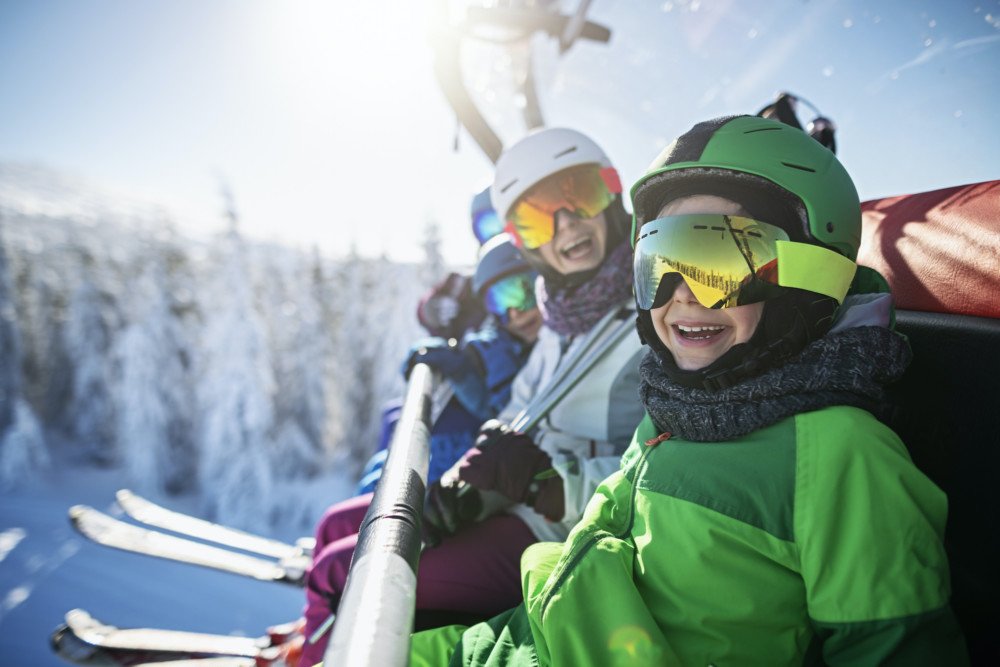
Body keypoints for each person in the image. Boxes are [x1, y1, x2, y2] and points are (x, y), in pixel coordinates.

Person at [407, 115, 969, 666]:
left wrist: (543, 488)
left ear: (808, 274)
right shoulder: (676, 404)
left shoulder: (842, 453)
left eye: (719, 262)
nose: (682, 295)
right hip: (534, 633)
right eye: (659, 262)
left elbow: (893, 643)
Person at [296, 127, 645, 667]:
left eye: (580, 195)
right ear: (523, 238)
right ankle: (311, 645)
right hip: (517, 504)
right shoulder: (562, 310)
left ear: (611, 192)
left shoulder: (652, 314)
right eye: (536, 216)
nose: (566, 223)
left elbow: (656, 465)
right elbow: (518, 411)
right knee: (342, 529)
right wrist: (472, 481)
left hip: (563, 527)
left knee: (345, 573)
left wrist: (545, 483)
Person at [357, 233, 542, 494]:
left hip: (476, 453)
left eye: (525, 292)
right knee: (383, 461)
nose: (515, 311)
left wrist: (464, 372)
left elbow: (505, 412)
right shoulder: (498, 338)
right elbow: (432, 309)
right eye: (499, 302)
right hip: (464, 440)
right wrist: (453, 363)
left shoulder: (546, 346)